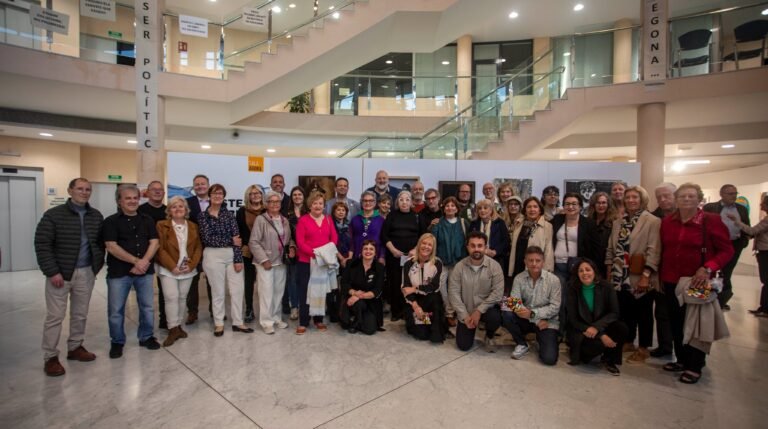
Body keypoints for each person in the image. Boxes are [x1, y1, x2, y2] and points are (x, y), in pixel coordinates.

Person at [660, 183, 733, 384]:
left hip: (697, 281)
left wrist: (708, 267)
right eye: (682, 196)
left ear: (699, 199)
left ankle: (695, 365)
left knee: (696, 324)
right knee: (676, 322)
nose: (686, 199)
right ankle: (682, 359)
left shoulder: (711, 221)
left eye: (691, 196)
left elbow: (727, 251)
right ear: (676, 199)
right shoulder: (668, 222)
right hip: (670, 280)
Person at [34, 178, 105, 376]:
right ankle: (50, 357)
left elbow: (99, 244)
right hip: (60, 273)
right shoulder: (53, 215)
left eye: (87, 189)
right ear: (70, 190)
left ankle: (75, 347)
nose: (84, 192)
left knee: (80, 314)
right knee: (55, 317)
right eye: (80, 189)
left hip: (86, 272)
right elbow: (42, 244)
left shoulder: (95, 216)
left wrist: (95, 267)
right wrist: (52, 271)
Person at [103, 184, 161, 358]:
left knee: (148, 307)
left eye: (135, 198)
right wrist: (136, 261)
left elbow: (154, 242)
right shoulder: (110, 221)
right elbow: (111, 247)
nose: (132, 201)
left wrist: (144, 262)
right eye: (127, 198)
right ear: (119, 201)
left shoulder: (147, 219)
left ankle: (146, 337)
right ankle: (117, 341)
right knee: (116, 310)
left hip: (145, 272)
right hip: (119, 273)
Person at [606, 185, 660, 364]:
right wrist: (609, 273)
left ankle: (643, 348)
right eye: (628, 197)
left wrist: (646, 275)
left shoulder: (652, 221)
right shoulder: (618, 222)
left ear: (642, 199)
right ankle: (628, 341)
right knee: (625, 310)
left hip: (639, 273)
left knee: (643, 312)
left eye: (634, 197)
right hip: (619, 274)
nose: (630, 200)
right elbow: (611, 249)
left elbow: (654, 250)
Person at [198, 184, 252, 336]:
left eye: (220, 193)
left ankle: (238, 322)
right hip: (212, 256)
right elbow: (207, 239)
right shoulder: (203, 216)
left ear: (223, 196)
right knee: (218, 291)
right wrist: (230, 240)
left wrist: (238, 259)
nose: (217, 196)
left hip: (232, 256)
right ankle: (219, 323)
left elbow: (237, 239)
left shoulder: (229, 215)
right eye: (214, 193)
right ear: (209, 196)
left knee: (237, 290)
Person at [566, 259, 627, 376]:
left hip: (598, 326)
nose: (584, 273)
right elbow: (572, 320)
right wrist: (534, 316)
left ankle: (610, 359)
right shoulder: (519, 280)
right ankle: (521, 342)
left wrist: (597, 328)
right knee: (549, 357)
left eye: (588, 269)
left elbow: (614, 313)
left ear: (594, 271)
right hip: (581, 329)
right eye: (581, 271)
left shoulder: (606, 287)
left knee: (621, 328)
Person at [155, 196, 202, 347]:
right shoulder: (161, 225)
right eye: (174, 207)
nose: (178, 209)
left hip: (187, 269)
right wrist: (172, 266)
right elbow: (159, 249)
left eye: (181, 206)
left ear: (186, 210)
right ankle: (172, 328)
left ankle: (179, 326)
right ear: (169, 210)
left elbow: (198, 248)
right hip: (169, 269)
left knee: (182, 298)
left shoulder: (193, 226)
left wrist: (192, 265)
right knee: (171, 297)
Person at [448, 231, 506, 352]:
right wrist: (464, 316)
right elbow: (453, 294)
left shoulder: (495, 266)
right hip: (466, 311)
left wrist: (479, 311)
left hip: (486, 310)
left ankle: (489, 334)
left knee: (495, 317)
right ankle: (469, 325)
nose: (476, 249)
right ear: (467, 247)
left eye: (480, 246)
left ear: (485, 247)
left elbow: (497, 293)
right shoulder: (459, 267)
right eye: (473, 245)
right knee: (463, 346)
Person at [249, 191, 295, 334]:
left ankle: (276, 317)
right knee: (266, 293)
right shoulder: (261, 220)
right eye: (271, 201)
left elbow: (288, 239)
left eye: (277, 202)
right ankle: (266, 322)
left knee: (278, 292)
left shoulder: (284, 220)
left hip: (281, 262)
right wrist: (264, 259)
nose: (275, 204)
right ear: (266, 204)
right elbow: (254, 242)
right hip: (266, 263)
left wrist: (292, 247)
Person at [508, 246, 561, 365]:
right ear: (525, 261)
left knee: (549, 359)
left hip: (546, 322)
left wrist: (533, 314)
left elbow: (555, 307)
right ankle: (522, 343)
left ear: (543, 262)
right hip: (527, 319)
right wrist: (534, 319)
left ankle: (541, 339)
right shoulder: (519, 278)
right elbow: (514, 303)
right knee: (506, 312)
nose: (534, 263)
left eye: (537, 260)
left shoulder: (554, 281)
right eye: (530, 260)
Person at [295, 192, 339, 335]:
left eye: (320, 203)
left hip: (323, 263)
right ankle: (303, 321)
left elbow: (334, 238)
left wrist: (325, 253)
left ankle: (318, 320)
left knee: (321, 291)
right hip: (306, 262)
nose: (318, 206)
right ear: (309, 205)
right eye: (315, 203)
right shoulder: (303, 220)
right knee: (305, 292)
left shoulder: (328, 219)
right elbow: (300, 243)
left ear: (324, 205)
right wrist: (316, 254)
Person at [703, 184, 751, 311]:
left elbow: (747, 226)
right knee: (710, 271)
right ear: (722, 194)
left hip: (734, 244)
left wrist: (744, 240)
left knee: (725, 273)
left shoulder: (741, 209)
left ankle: (720, 301)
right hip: (714, 245)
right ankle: (708, 299)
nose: (734, 196)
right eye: (730, 194)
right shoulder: (711, 207)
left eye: (735, 193)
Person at [382, 191, 427, 321]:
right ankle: (396, 312)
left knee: (411, 283)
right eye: (401, 199)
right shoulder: (392, 215)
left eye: (407, 199)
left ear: (412, 202)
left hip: (412, 257)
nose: (404, 202)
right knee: (395, 284)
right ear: (397, 202)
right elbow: (384, 235)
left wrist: (415, 249)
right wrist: (393, 250)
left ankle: (410, 311)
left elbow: (424, 236)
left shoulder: (418, 216)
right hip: (394, 256)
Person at [728, 194, 768, 317]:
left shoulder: (767, 220)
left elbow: (752, 231)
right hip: (764, 251)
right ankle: (763, 308)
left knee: (766, 280)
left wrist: (737, 222)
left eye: (763, 203)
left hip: (765, 252)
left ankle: (765, 309)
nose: (760, 205)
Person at [431, 197, 468, 327]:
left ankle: (454, 312)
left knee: (455, 288)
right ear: (443, 208)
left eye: (453, 205)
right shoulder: (437, 223)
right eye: (447, 205)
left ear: (457, 208)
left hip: (459, 261)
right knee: (441, 286)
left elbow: (468, 242)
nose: (450, 208)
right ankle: (448, 312)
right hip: (441, 261)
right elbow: (432, 241)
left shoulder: (463, 223)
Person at [649, 182, 677, 358]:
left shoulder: (696, 218)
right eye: (659, 196)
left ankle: (689, 352)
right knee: (662, 312)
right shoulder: (653, 218)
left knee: (688, 315)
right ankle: (665, 346)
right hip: (661, 272)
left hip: (690, 275)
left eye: (667, 195)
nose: (663, 199)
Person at [402, 233, 446, 343]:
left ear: (433, 248)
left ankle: (433, 324)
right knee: (423, 334)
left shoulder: (437, 263)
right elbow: (405, 289)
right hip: (414, 301)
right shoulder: (408, 263)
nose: (426, 247)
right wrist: (416, 307)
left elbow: (434, 287)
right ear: (419, 244)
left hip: (431, 300)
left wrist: (415, 288)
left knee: (434, 334)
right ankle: (424, 320)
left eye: (429, 245)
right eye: (424, 243)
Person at [550, 193, 599, 287]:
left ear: (580, 206)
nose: (570, 206)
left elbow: (595, 248)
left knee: (576, 293)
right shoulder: (557, 220)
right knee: (561, 293)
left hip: (579, 266)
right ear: (563, 206)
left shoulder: (589, 223)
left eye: (574, 204)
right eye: (567, 204)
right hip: (558, 265)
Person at [138, 181, 168, 329]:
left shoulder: (168, 211)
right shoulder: (139, 211)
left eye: (160, 190)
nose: (157, 192)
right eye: (154, 190)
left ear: (164, 193)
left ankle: (165, 320)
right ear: (147, 192)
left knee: (165, 292)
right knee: (145, 294)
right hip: (145, 257)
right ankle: (146, 326)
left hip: (164, 256)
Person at [340, 240, 385, 334]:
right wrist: (354, 293)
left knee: (370, 330)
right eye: (365, 249)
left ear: (375, 252)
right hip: (351, 301)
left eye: (371, 249)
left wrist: (358, 296)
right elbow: (344, 284)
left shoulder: (380, 267)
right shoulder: (351, 263)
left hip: (370, 302)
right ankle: (355, 322)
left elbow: (377, 290)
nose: (368, 251)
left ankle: (358, 321)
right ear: (361, 251)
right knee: (358, 305)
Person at [236, 185, 265, 323]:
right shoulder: (242, 211)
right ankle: (249, 309)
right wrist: (244, 246)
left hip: (265, 251)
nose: (255, 195)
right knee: (249, 281)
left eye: (258, 193)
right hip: (248, 250)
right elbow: (239, 230)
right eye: (252, 193)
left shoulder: (267, 210)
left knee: (265, 281)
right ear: (248, 196)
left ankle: (266, 310)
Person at [508, 197, 554, 281]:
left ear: (540, 210)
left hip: (535, 267)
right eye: (529, 207)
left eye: (535, 207)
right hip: (518, 265)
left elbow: (548, 250)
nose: (532, 209)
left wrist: (547, 271)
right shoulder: (518, 223)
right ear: (525, 210)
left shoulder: (547, 226)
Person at [185, 174, 210, 325]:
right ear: (193, 187)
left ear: (208, 185)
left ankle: (215, 311)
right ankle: (192, 312)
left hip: (211, 248)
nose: (200, 186)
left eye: (203, 184)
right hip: (193, 248)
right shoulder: (187, 203)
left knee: (212, 281)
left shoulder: (218, 202)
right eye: (197, 184)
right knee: (192, 281)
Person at [282, 186, 307, 320]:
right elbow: (285, 232)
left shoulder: (309, 212)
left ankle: (306, 306)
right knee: (292, 280)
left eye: (300, 194)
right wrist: (291, 245)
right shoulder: (286, 214)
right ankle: (294, 307)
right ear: (292, 197)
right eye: (295, 195)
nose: (297, 197)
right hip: (292, 250)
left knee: (306, 280)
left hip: (307, 251)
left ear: (304, 196)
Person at [469, 199, 510, 270]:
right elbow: (469, 240)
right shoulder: (474, 224)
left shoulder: (500, 223)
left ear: (491, 210)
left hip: (496, 259)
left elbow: (506, 241)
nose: (482, 210)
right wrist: (482, 251)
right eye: (479, 208)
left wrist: (495, 251)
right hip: (477, 258)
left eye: (485, 208)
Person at [330, 201, 353, 322]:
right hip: (334, 259)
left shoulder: (349, 225)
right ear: (334, 212)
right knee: (334, 288)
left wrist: (349, 257)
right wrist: (341, 258)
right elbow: (331, 243)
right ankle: (333, 313)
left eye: (343, 210)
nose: (341, 212)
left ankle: (344, 311)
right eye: (338, 210)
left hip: (347, 260)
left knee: (345, 286)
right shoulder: (330, 225)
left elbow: (352, 242)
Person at [586, 192, 617, 277]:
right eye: (598, 203)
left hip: (607, 264)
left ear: (608, 205)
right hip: (590, 263)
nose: (601, 205)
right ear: (593, 205)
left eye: (604, 203)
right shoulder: (587, 222)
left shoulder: (614, 223)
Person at [350, 191, 386, 261]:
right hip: (357, 256)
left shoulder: (381, 220)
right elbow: (351, 240)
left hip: (376, 257)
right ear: (361, 202)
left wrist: (382, 256)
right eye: (365, 201)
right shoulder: (355, 219)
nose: (368, 203)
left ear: (375, 203)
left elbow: (383, 240)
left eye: (371, 201)